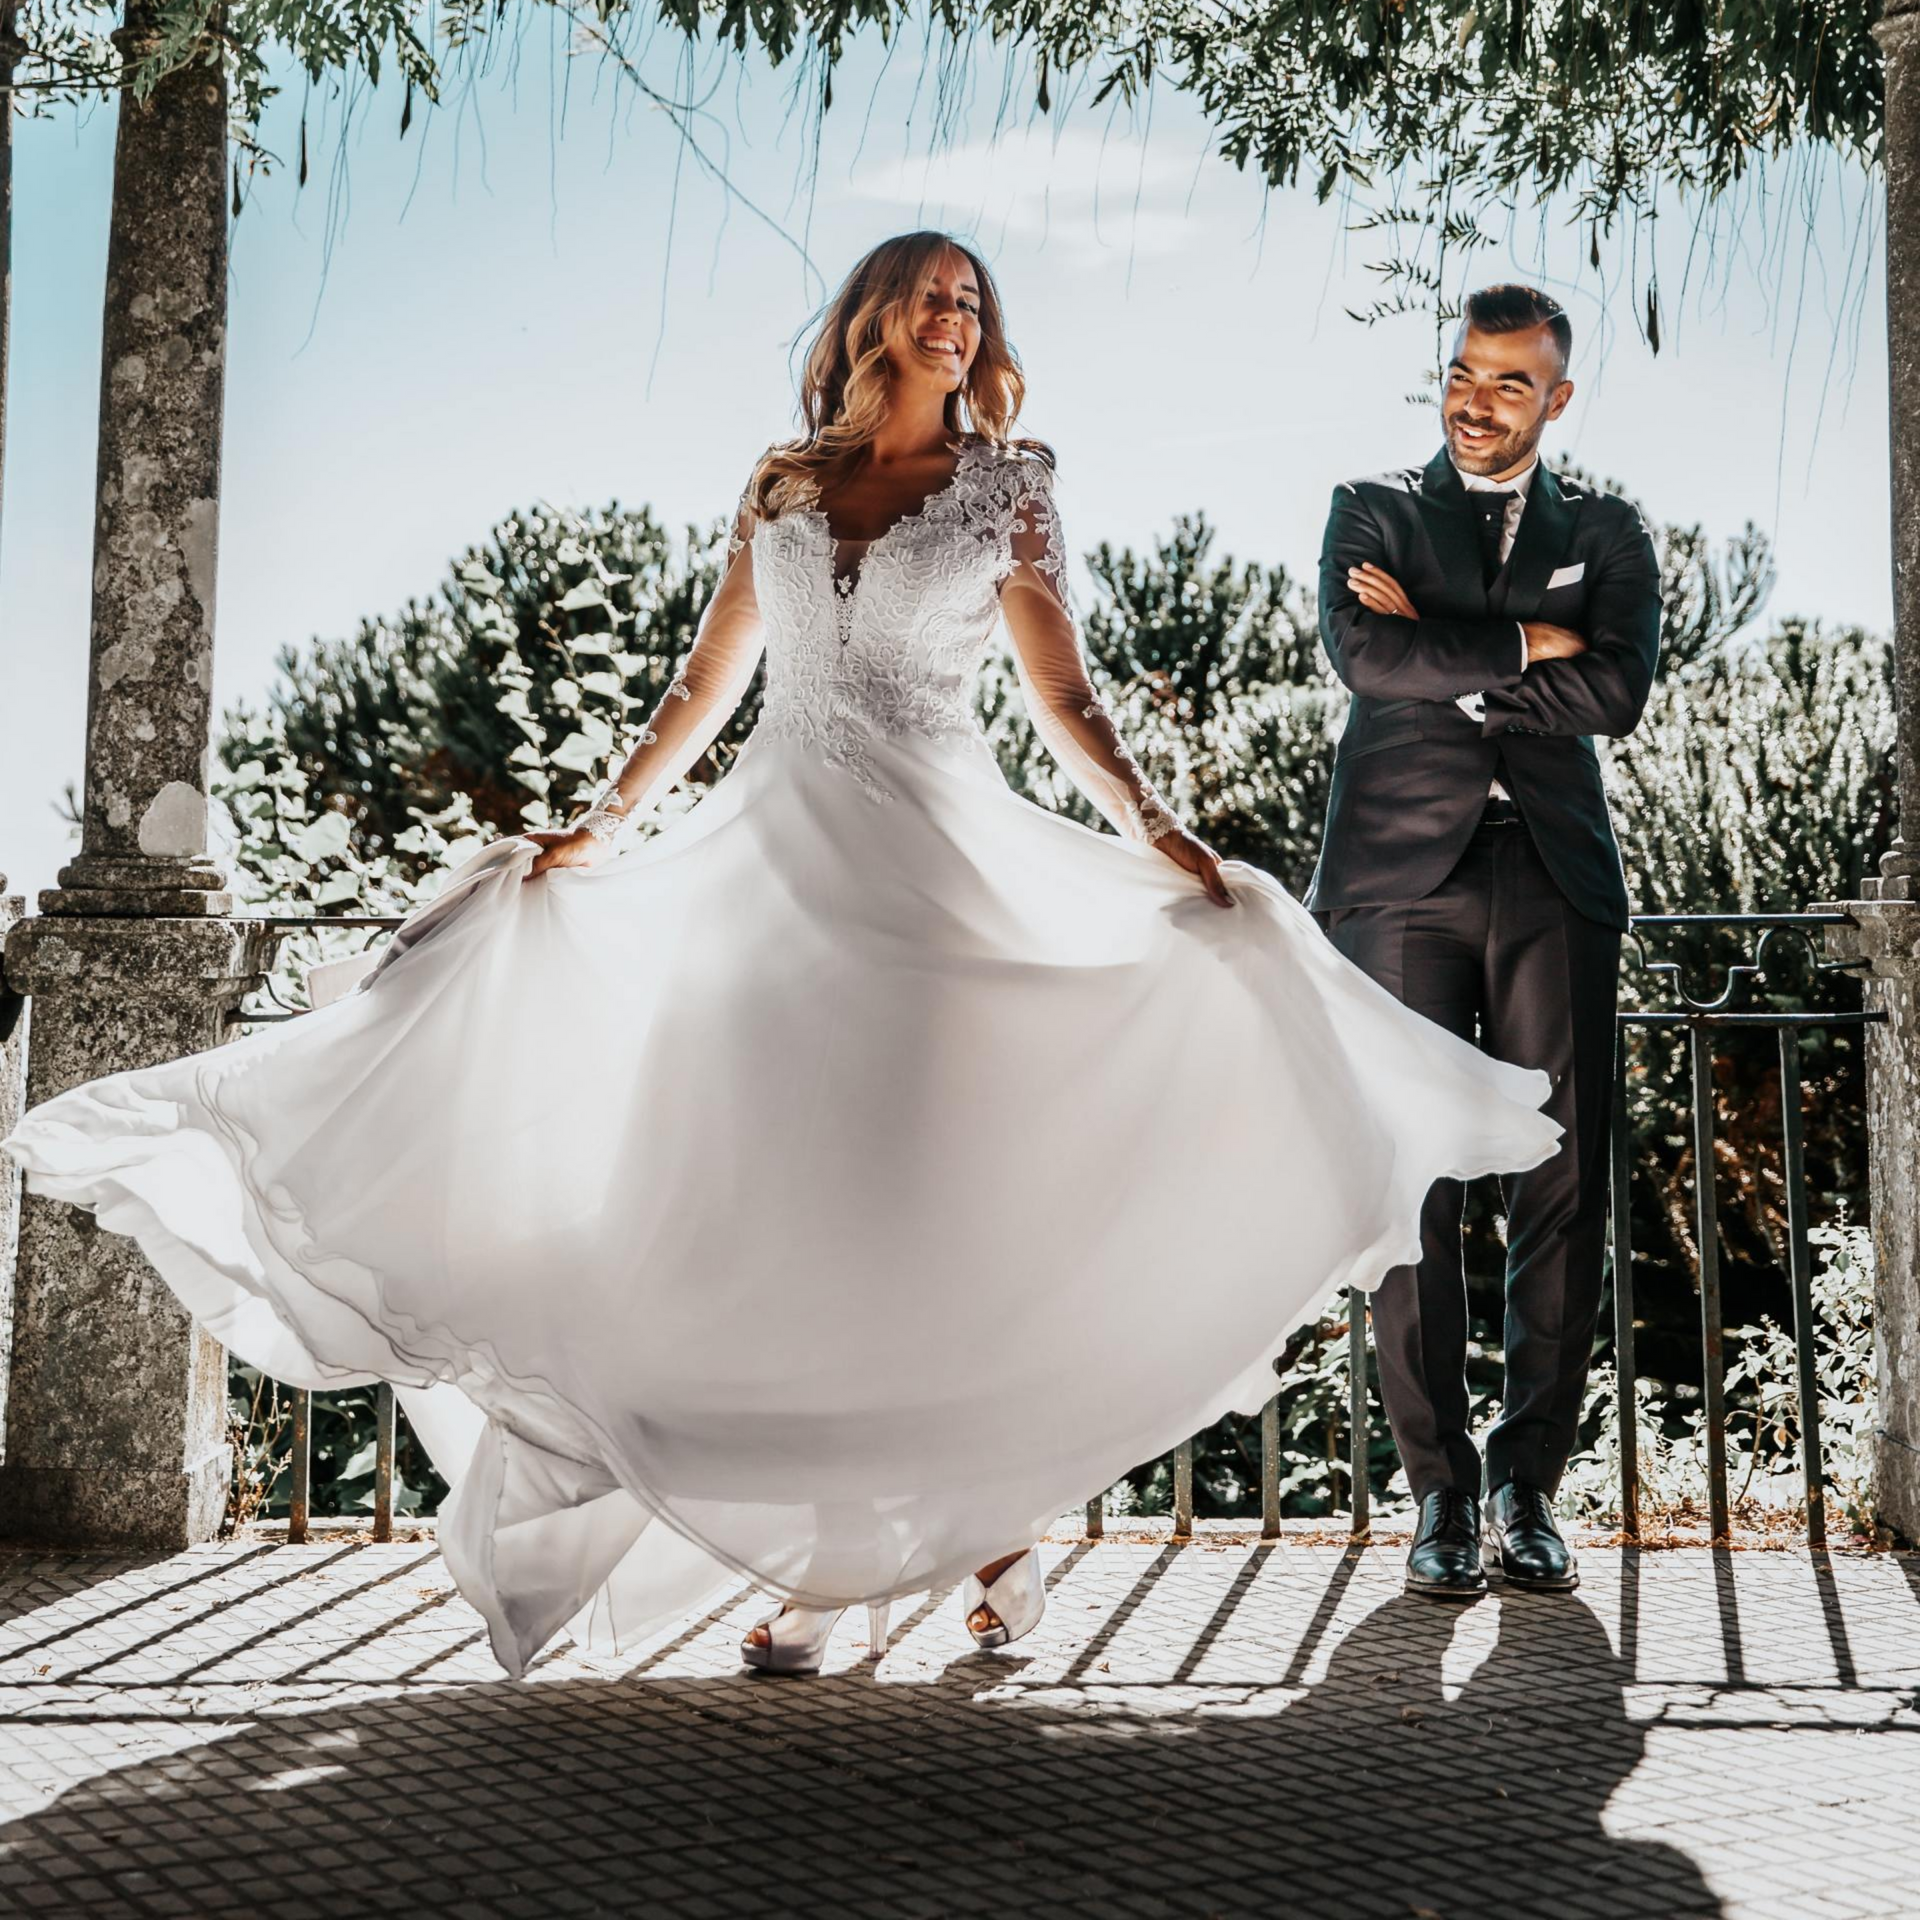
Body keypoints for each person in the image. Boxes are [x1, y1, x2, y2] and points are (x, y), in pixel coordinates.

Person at [1, 233, 1563, 1680]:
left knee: (909, 1239)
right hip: (770, 892)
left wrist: (1168, 841)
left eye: (978, 303)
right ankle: (874, 1563)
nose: (960, 319)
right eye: (935, 295)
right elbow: (704, 683)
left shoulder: (1010, 488)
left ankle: (942, 1552)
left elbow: (1062, 700)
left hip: (937, 900)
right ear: (875, 317)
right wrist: (598, 829)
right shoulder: (782, 487)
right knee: (765, 1231)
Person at [1307, 283, 1662, 1601]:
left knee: (1560, 1189)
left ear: (1556, 399)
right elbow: (1362, 654)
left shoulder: (1607, 529)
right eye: (1465, 370)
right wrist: (1525, 643)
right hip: (1398, 884)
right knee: (1415, 1191)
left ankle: (1526, 1489)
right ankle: (1440, 1498)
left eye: (1512, 381)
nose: (1477, 397)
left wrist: (1441, 649)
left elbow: (1615, 690)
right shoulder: (1375, 507)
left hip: (1555, 876)